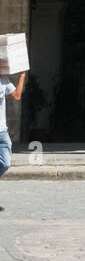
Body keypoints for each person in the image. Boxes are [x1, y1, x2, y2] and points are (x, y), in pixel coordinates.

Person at [0, 71, 25, 205]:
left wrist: (21, 77)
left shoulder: (2, 80)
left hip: (2, 132)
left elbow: (16, 95)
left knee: (5, 163)